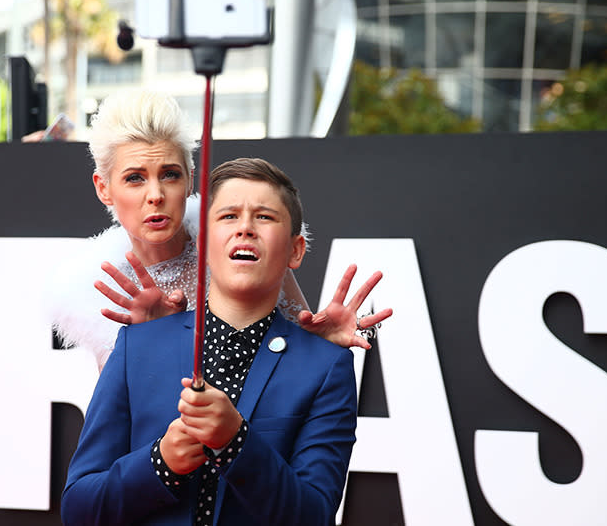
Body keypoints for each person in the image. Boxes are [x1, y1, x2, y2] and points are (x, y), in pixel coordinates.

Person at [61, 157, 357, 525]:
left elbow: (314, 515)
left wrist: (236, 443)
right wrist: (160, 463)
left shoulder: (327, 367)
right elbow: (79, 508)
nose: (245, 228)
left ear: (296, 250)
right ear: (202, 242)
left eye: (264, 217)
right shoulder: (136, 347)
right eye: (228, 216)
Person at [48, 89, 392, 370]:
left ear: (190, 178)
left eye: (170, 174)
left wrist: (319, 345)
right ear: (103, 187)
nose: (156, 195)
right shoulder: (99, 293)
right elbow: (126, 424)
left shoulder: (236, 244)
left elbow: (294, 364)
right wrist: (153, 341)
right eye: (134, 178)